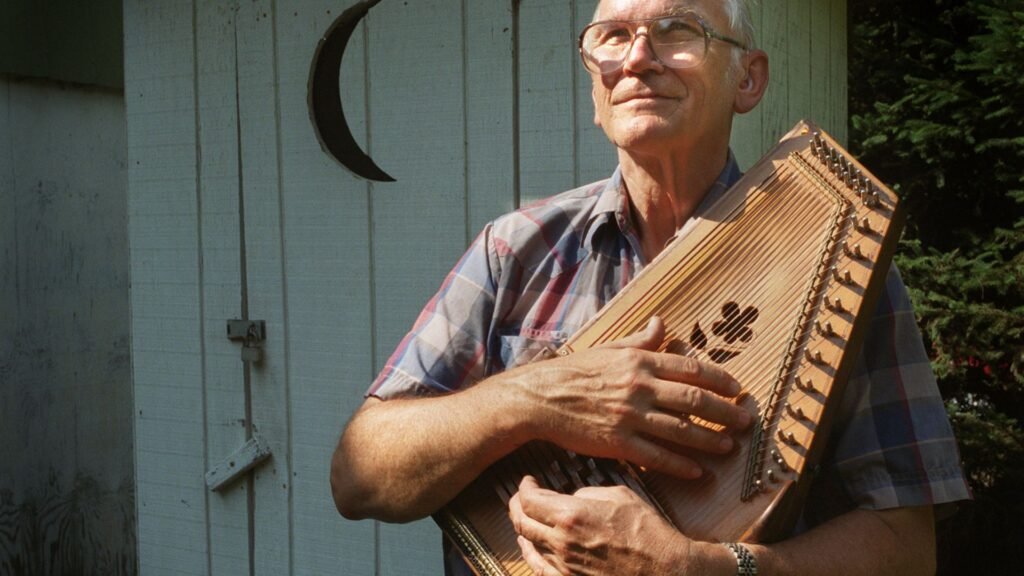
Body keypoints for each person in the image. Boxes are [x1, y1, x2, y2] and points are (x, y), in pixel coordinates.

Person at [331, 0, 971, 574]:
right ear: (595, 95)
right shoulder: (516, 249)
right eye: (612, 36)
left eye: (676, 31)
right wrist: (531, 397)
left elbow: (907, 548)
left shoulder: (842, 262)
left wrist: (700, 569)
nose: (638, 58)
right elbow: (359, 479)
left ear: (747, 80)